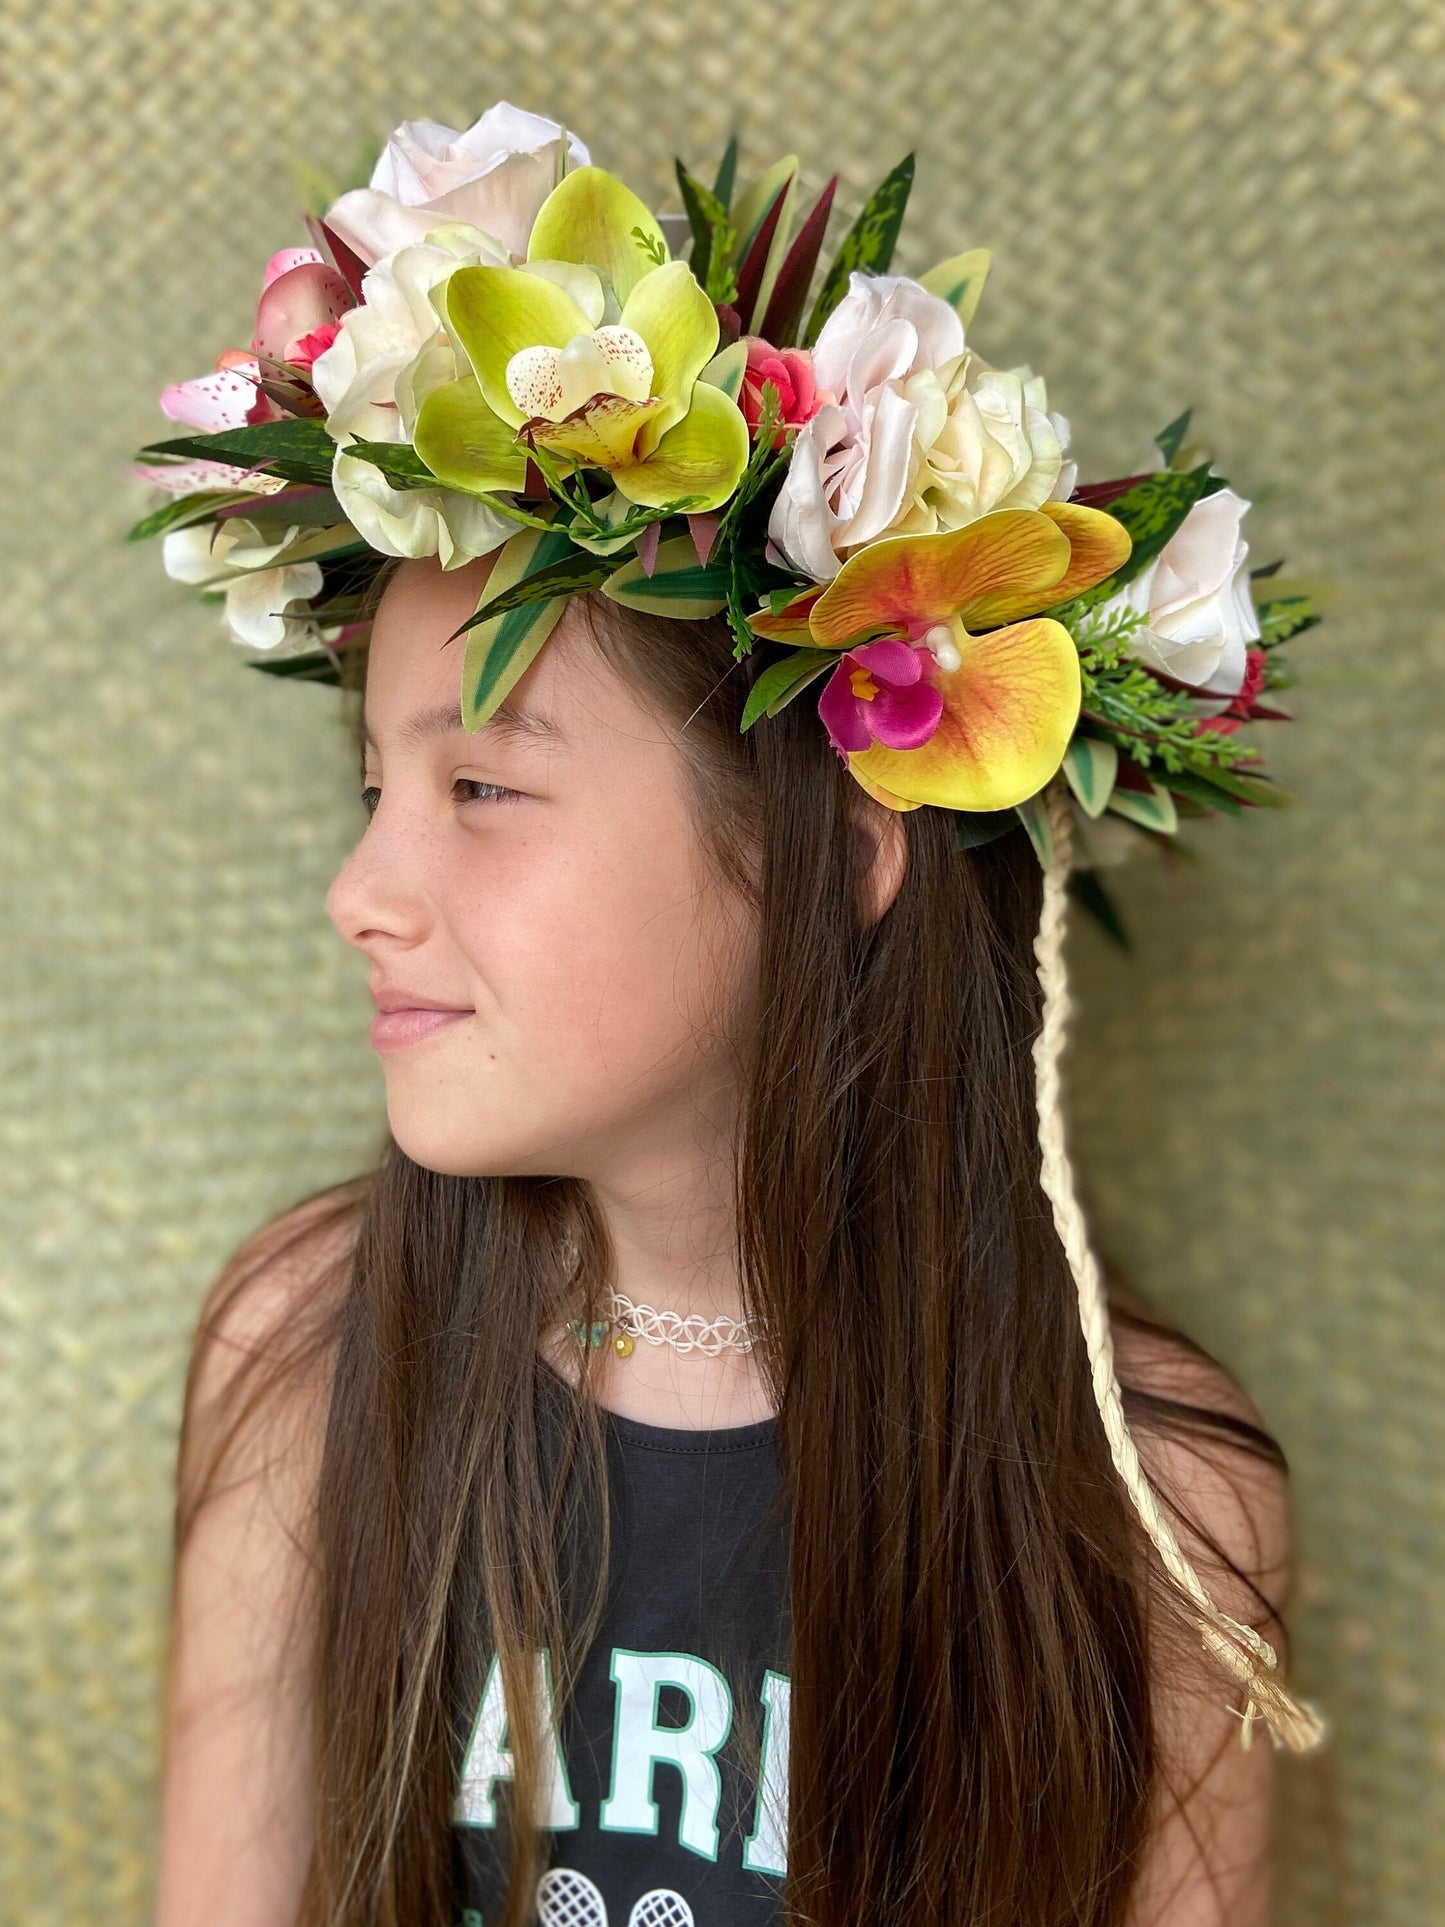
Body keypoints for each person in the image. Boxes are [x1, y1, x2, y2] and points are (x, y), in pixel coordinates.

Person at [156, 548, 1305, 1927]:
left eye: (480, 789)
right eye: (374, 792)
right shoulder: (308, 1341)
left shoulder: (1156, 1501)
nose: (360, 892)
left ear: (829, 838)